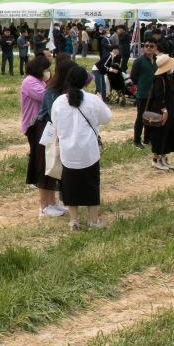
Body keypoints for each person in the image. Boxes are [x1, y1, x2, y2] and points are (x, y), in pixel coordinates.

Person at [41, 63, 112, 231]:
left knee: (70, 186)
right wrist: (102, 101)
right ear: (85, 82)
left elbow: (55, 122)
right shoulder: (93, 100)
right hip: (88, 151)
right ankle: (93, 221)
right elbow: (107, 118)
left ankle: (74, 221)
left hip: (68, 152)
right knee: (91, 185)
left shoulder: (59, 101)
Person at [21, 54, 64, 217]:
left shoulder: (39, 81)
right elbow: (45, 97)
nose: (49, 72)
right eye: (46, 69)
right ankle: (44, 205)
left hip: (43, 126)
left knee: (50, 163)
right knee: (42, 162)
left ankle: (52, 202)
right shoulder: (30, 82)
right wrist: (52, 84)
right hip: (34, 125)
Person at [145, 54, 174, 171]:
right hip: (161, 112)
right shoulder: (159, 80)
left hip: (168, 110)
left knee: (167, 135)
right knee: (160, 136)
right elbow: (159, 97)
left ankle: (163, 158)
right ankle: (156, 160)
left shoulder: (165, 78)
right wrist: (164, 111)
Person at [130, 40, 159, 148]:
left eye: (151, 46)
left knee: (151, 117)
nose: (148, 48)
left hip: (154, 94)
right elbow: (133, 77)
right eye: (146, 46)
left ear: (155, 47)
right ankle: (137, 140)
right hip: (142, 94)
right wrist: (140, 86)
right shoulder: (139, 61)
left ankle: (148, 139)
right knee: (141, 117)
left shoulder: (157, 61)